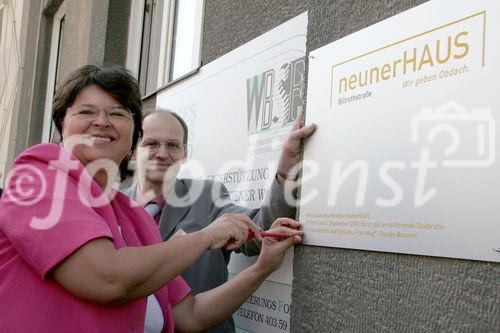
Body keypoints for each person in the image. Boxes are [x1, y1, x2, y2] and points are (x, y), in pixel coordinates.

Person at [0, 65, 303, 333]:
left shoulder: (134, 217)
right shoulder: (40, 174)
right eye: (86, 111)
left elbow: (189, 314)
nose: (102, 121)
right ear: (61, 125)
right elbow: (109, 279)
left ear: (132, 133)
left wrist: (261, 268)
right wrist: (205, 237)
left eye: (117, 113)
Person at [124, 109, 315, 332]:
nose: (162, 153)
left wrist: (285, 172)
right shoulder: (110, 206)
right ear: (133, 151)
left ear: (184, 153)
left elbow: (261, 228)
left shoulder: (207, 196)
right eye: (151, 144)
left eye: (173, 145)